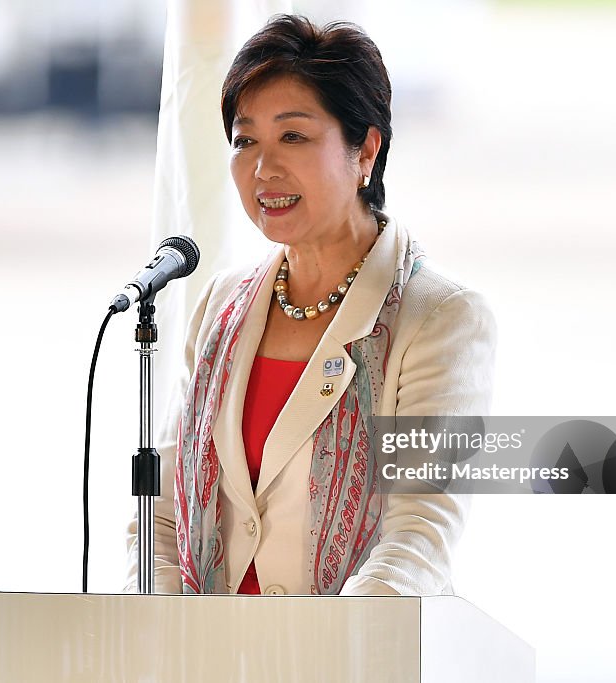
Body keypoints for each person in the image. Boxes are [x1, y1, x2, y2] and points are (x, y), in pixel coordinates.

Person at [126, 14, 495, 596]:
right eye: (245, 140)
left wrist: (330, 655)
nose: (262, 168)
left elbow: (419, 535)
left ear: (365, 150)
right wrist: (162, 637)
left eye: (293, 136)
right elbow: (162, 518)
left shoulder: (439, 318)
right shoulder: (222, 305)